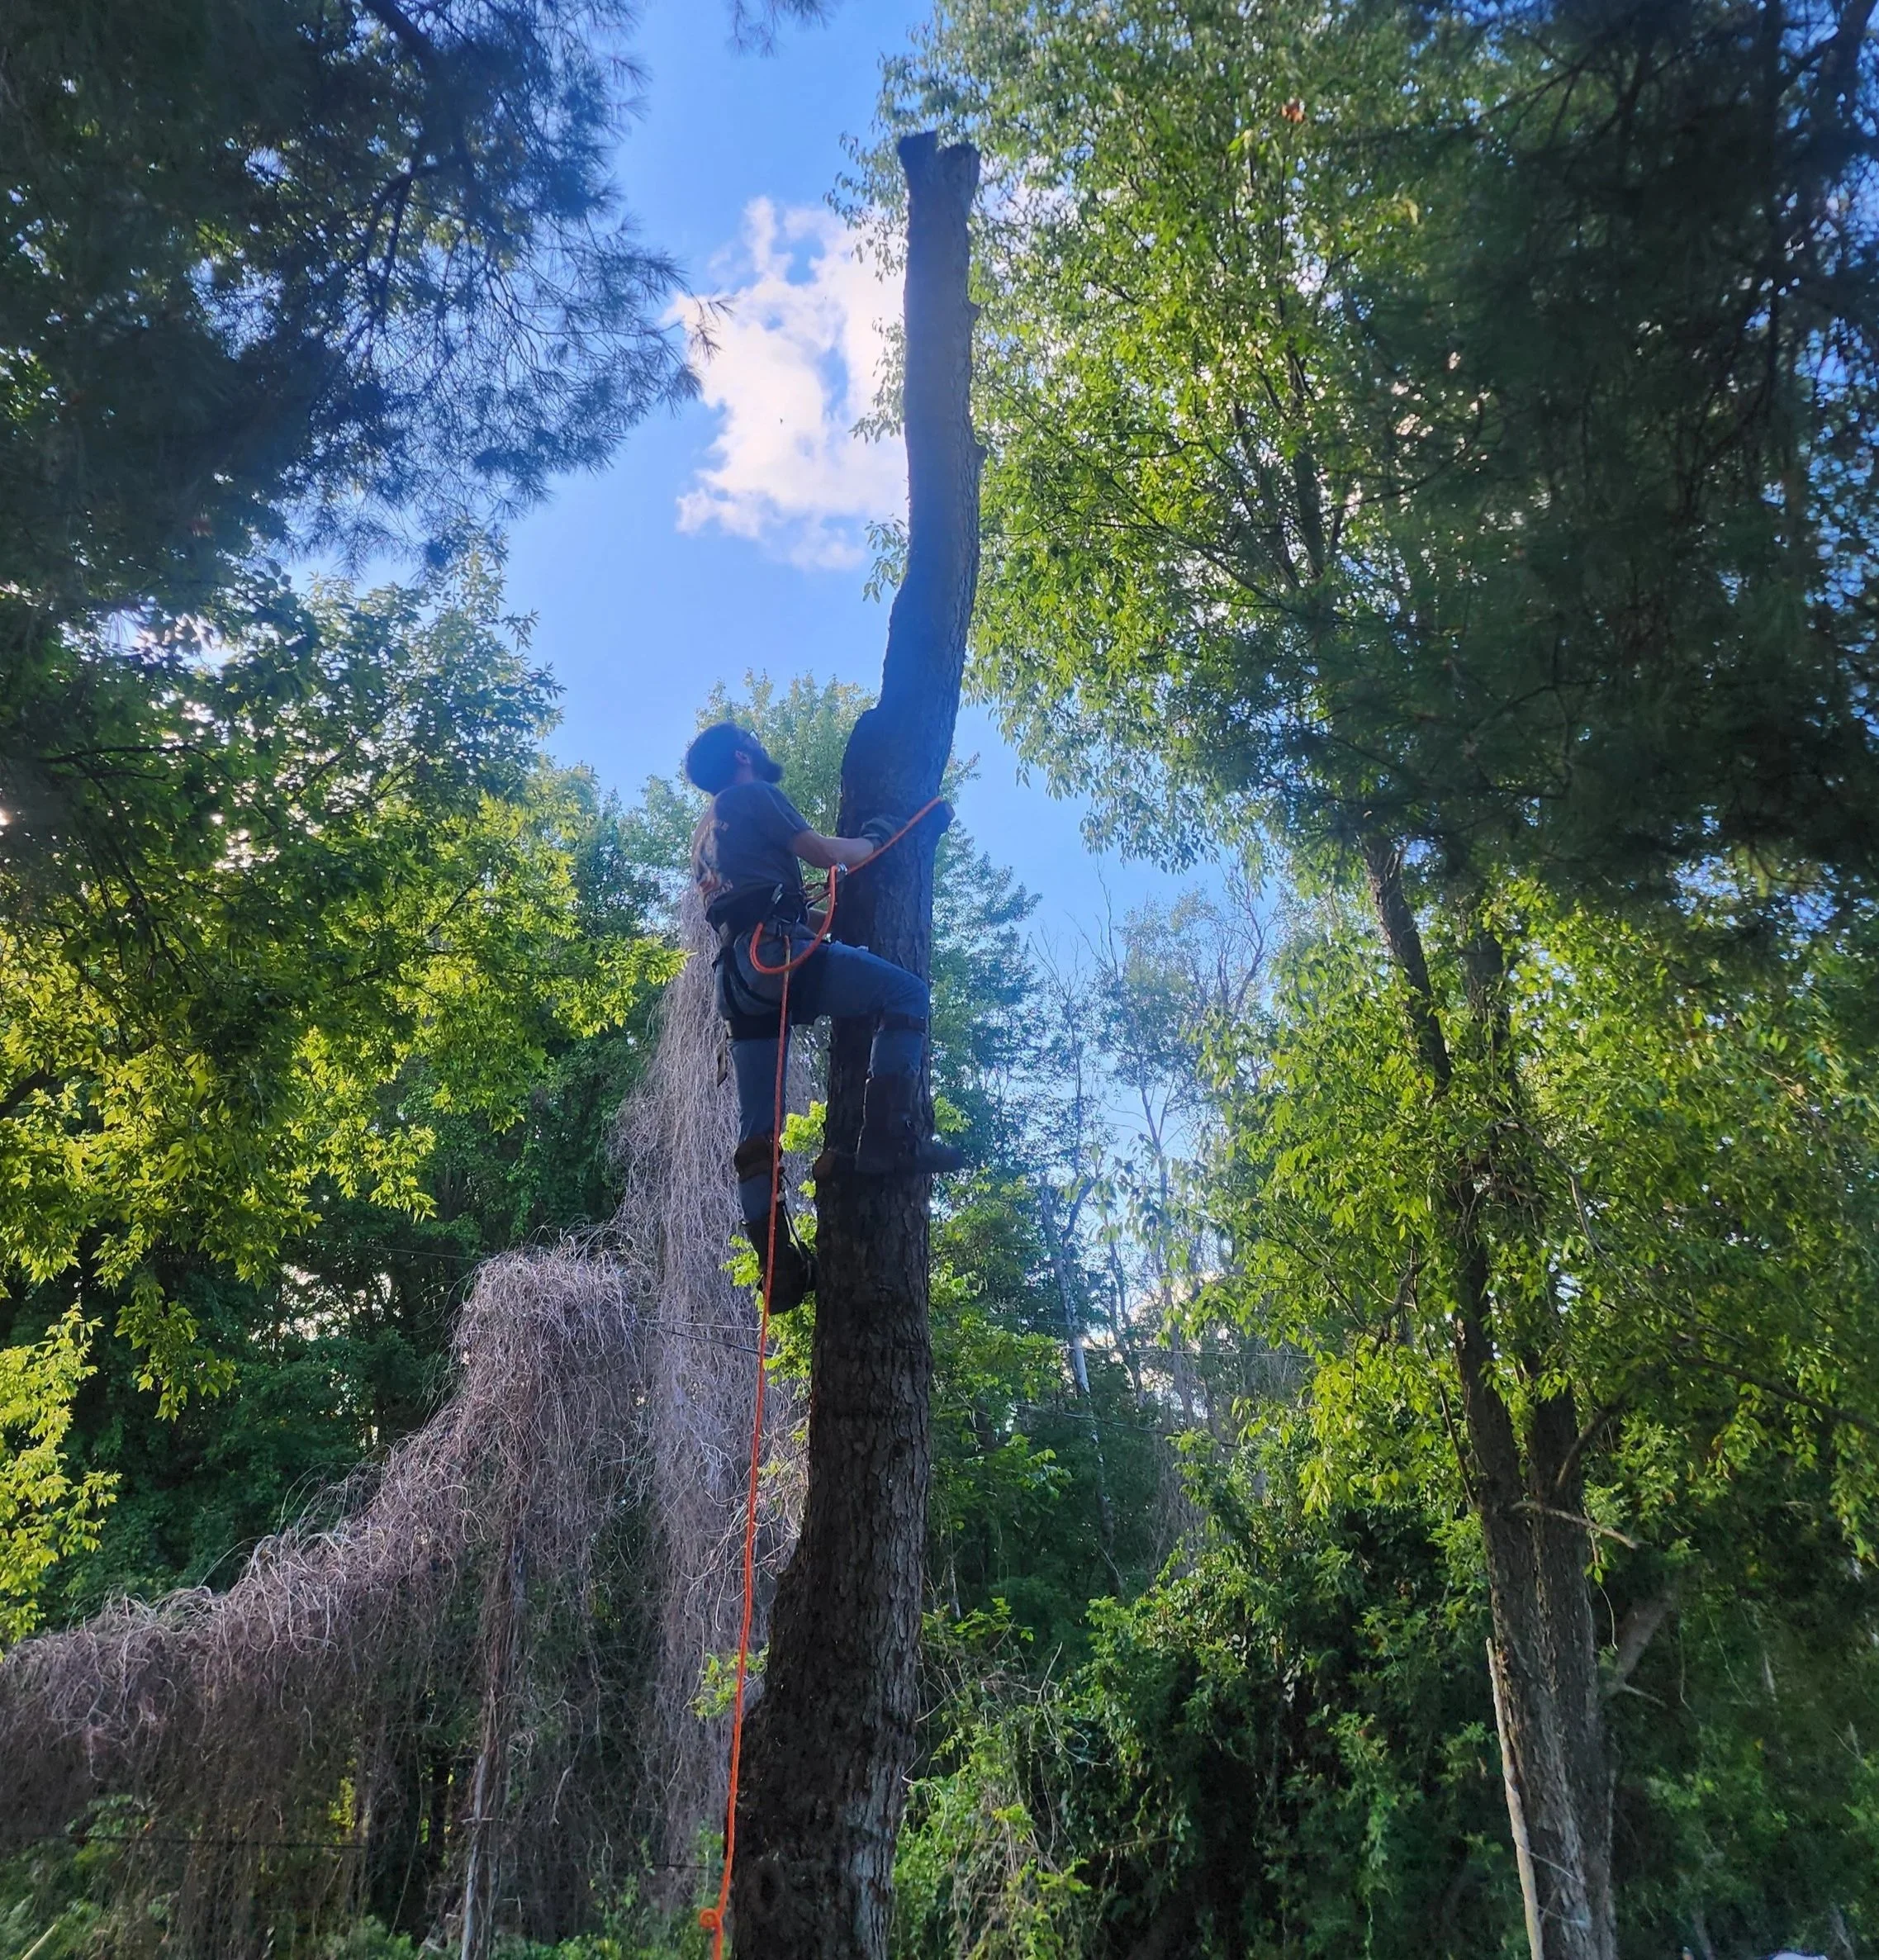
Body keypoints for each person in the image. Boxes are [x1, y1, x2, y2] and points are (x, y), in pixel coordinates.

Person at [686, 719, 964, 1313]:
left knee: (758, 1133)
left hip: (737, 976)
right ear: (742, 754)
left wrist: (828, 928)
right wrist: (875, 839)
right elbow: (829, 855)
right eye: (753, 743)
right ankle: (886, 1137)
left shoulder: (707, 834)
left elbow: (781, 909)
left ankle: (780, 1271)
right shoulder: (753, 794)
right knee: (907, 996)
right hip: (775, 952)